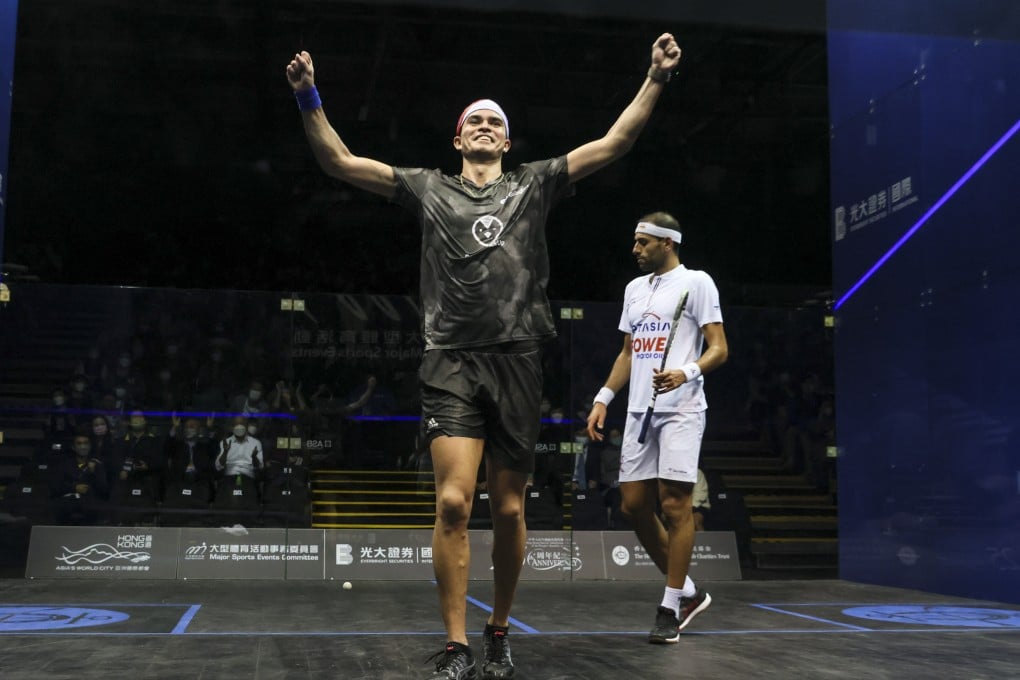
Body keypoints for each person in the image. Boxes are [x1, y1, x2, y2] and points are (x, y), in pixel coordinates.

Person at [287, 32, 681, 680]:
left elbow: (614, 144)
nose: (486, 126)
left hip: (519, 358)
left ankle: (497, 632)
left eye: (496, 122)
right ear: (457, 138)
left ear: (506, 141)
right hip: (449, 359)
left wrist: (655, 77)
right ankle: (456, 644)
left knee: (508, 510)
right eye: (475, 119)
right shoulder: (426, 190)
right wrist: (308, 94)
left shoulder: (537, 184)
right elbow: (339, 161)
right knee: (450, 504)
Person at [586, 212, 728, 644]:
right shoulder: (633, 290)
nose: (635, 249)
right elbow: (629, 352)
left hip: (682, 408)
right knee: (632, 505)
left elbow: (719, 348)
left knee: (674, 504)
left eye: (643, 242)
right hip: (638, 411)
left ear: (667, 243)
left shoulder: (697, 282)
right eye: (635, 242)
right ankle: (687, 591)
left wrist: (686, 371)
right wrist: (603, 397)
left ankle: (669, 606)